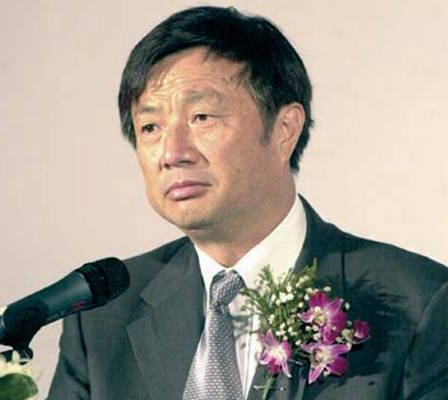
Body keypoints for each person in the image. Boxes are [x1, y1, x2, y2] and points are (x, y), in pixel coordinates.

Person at [47, 6, 448, 400]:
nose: (172, 153)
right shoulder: (102, 318)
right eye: (150, 127)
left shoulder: (419, 302)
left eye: (202, 117)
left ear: (285, 129)